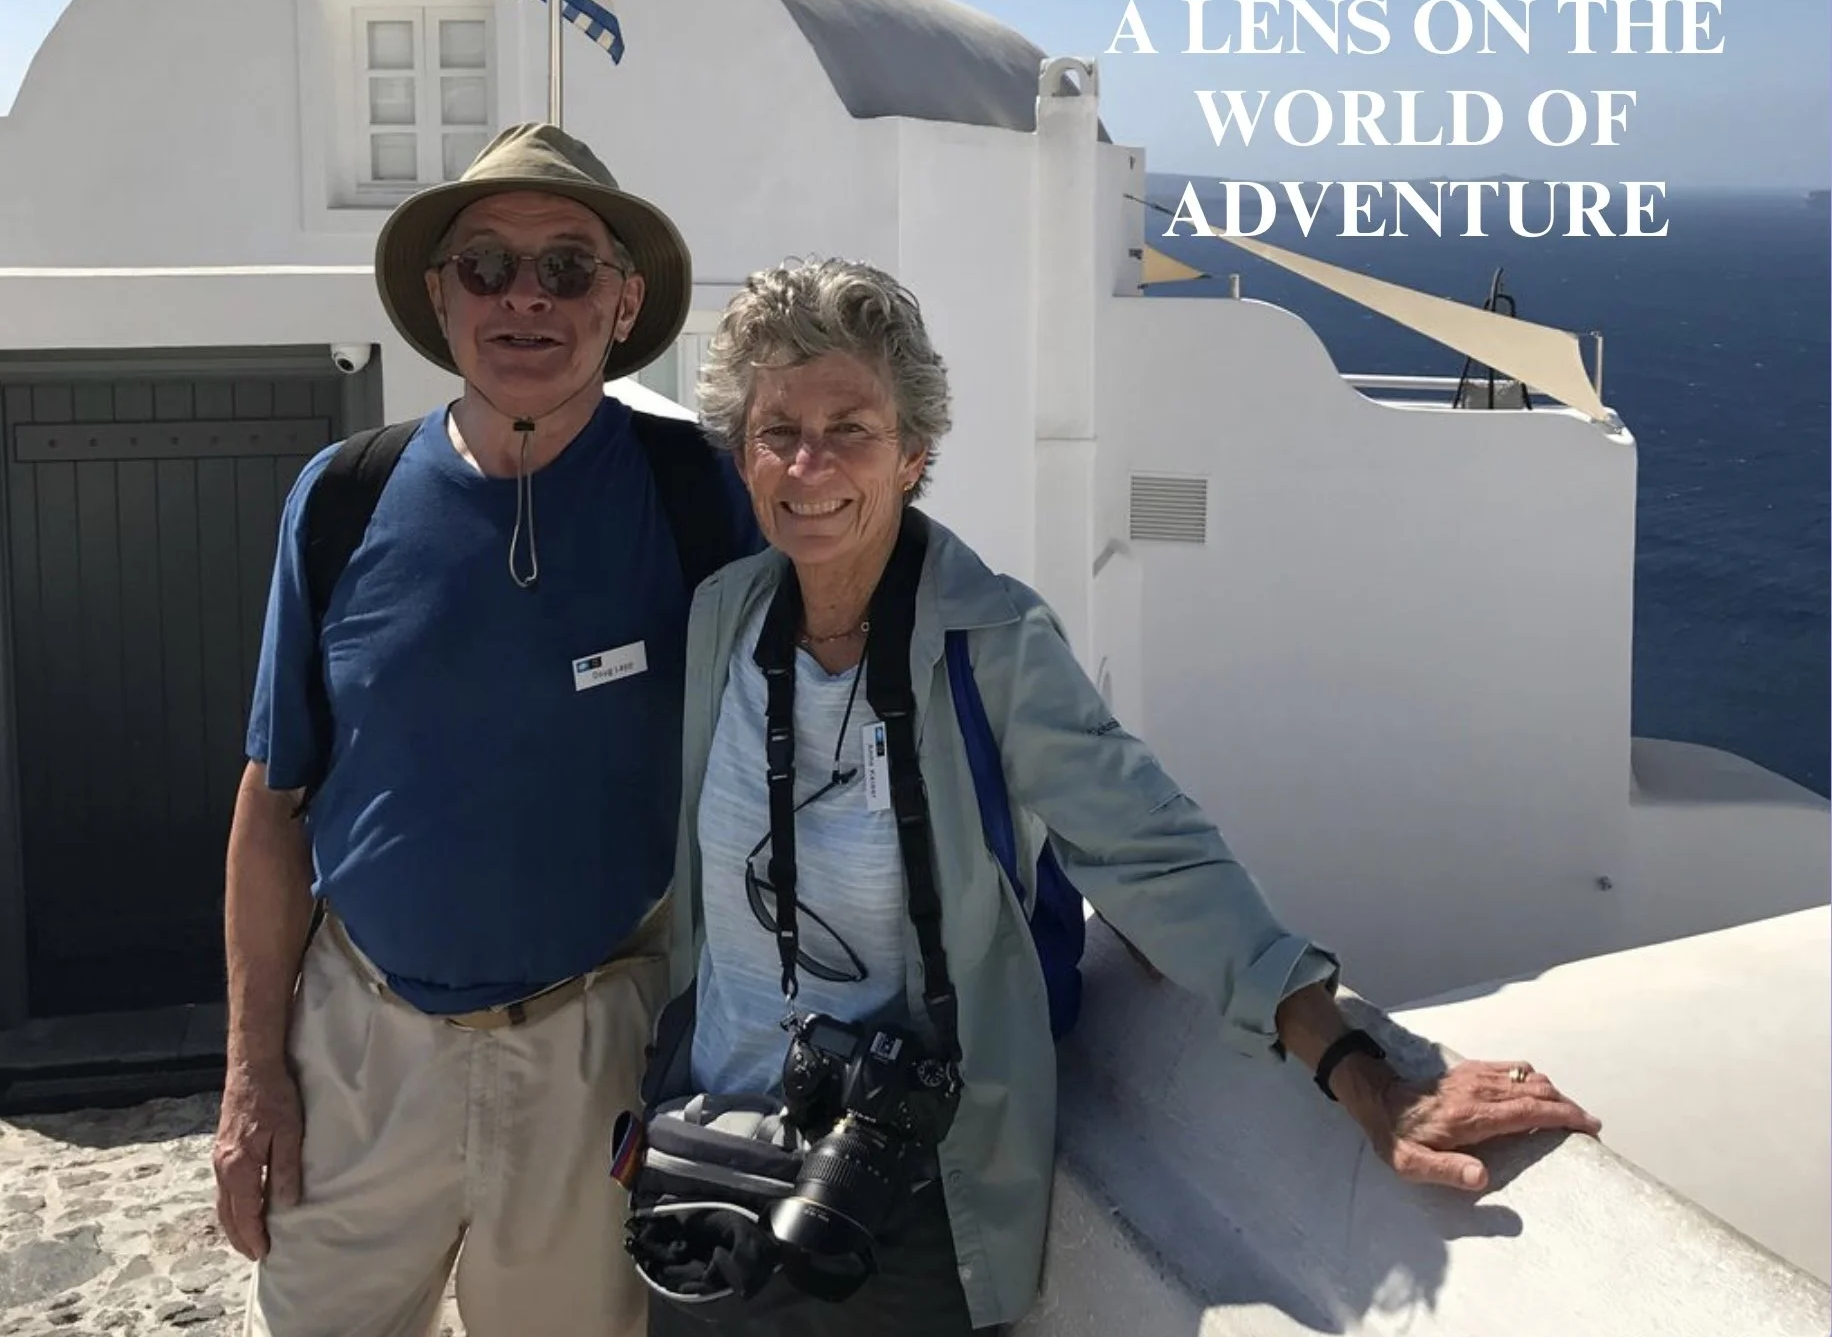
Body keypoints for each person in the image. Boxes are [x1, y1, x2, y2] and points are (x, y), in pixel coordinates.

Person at [640, 257, 1603, 1336]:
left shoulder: (989, 644)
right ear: (742, 452)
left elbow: (1154, 854)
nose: (809, 462)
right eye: (779, 430)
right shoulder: (725, 613)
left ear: (913, 455)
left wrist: (1367, 1070)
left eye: (850, 427)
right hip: (709, 1156)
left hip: (894, 1199)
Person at [215, 123, 756, 1337]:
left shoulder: (699, 494)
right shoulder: (342, 495)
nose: (526, 297)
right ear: (436, 295)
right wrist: (254, 1078)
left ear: (622, 304)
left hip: (593, 1053)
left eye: (568, 267)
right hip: (357, 1048)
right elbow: (273, 801)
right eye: (487, 265)